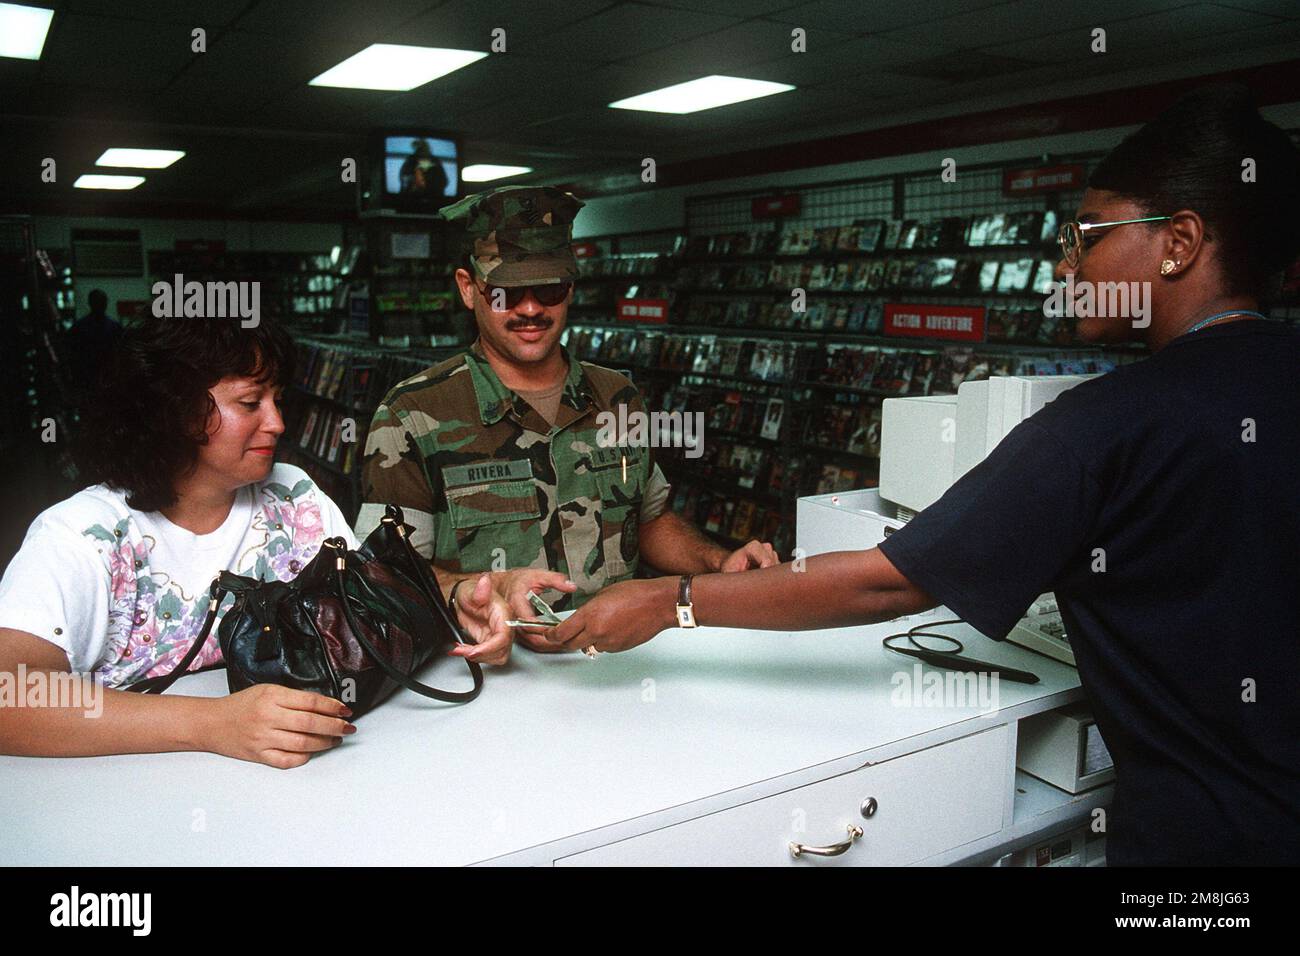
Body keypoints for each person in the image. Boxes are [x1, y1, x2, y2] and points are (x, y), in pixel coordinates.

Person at [543, 86, 1300, 866]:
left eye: (1084, 237)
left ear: (1178, 242)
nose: (1065, 265)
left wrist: (672, 602)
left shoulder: (1103, 425)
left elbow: (888, 582)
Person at [0, 315, 509, 769]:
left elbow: (373, 597)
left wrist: (460, 597)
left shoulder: (292, 493)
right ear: (174, 411)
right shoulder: (81, 535)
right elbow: (11, 698)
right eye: (250, 402)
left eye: (277, 400)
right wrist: (212, 724)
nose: (279, 423)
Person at [355, 184, 779, 654]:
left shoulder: (617, 396)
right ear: (467, 288)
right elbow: (385, 574)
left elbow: (649, 519)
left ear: (571, 288)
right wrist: (485, 590)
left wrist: (719, 562)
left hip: (617, 662)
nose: (531, 308)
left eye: (550, 288)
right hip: (488, 667)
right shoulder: (412, 413)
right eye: (505, 293)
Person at [64, 288, 122, 391]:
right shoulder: (113, 326)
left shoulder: (79, 327)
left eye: (102, 302)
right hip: (89, 376)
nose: (101, 305)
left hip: (103, 376)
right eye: (99, 302)